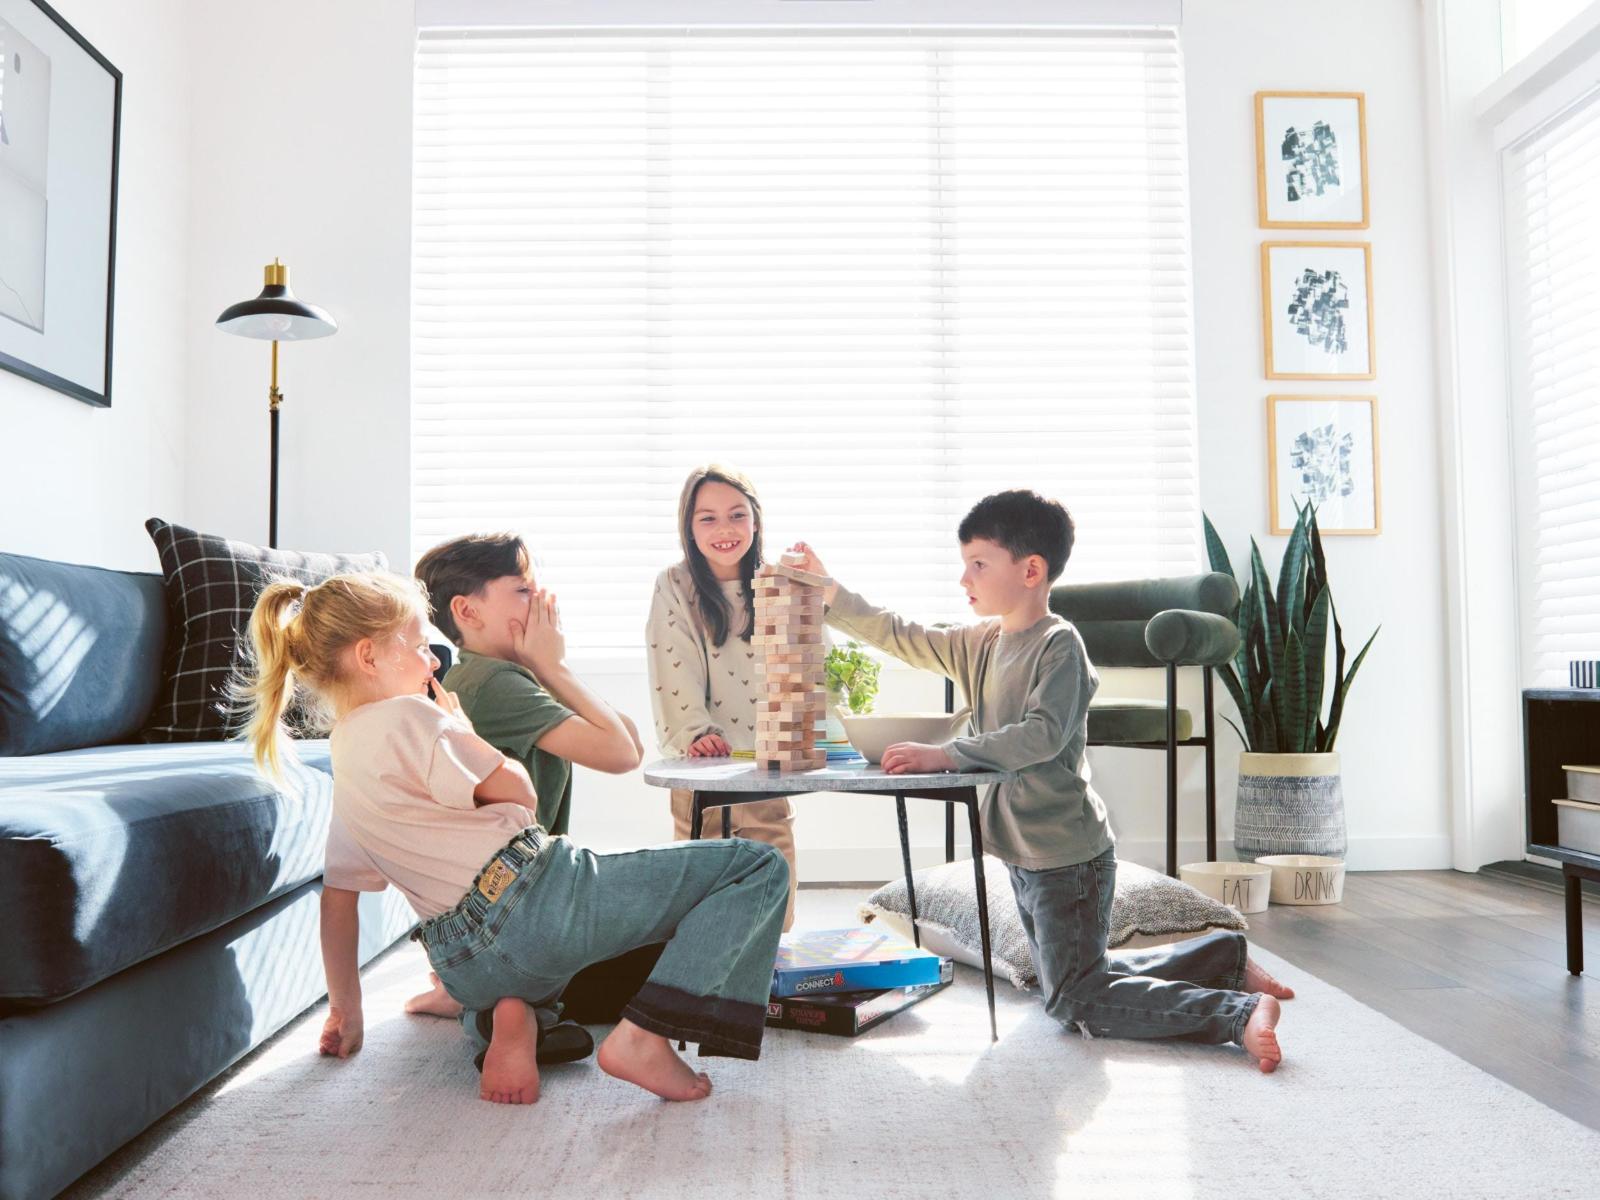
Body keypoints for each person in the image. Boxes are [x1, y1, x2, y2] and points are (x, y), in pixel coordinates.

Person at [787, 490, 1295, 1072]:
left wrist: (946, 755)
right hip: (1022, 850)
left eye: (979, 564)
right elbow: (900, 634)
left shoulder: (1060, 646)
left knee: (1073, 1000)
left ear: (1030, 570)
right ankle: (1222, 957)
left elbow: (1041, 735)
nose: (964, 579)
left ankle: (1234, 1013)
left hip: (1067, 855)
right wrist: (830, 591)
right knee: (1074, 978)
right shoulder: (981, 642)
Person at [242, 571, 789, 1104]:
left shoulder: (344, 761)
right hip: (535, 900)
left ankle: (505, 1018)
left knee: (525, 987)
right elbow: (520, 792)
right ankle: (643, 1038)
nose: (433, 662)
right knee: (756, 867)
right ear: (369, 657)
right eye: (420, 647)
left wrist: (346, 1009)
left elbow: (339, 900)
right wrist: (462, 731)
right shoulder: (413, 715)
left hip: (462, 964)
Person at [397, 532, 661, 1064]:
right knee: (676, 949)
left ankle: (478, 991)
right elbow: (620, 754)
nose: (540, 602)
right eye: (522, 590)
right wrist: (553, 668)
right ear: (467, 610)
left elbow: (628, 739)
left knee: (657, 933)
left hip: (513, 909)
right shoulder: (496, 685)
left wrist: (548, 667)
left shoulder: (499, 676)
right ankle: (492, 999)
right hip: (518, 918)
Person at [646, 464, 799, 929]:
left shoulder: (777, 582)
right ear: (689, 527)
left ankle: (773, 963)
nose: (725, 529)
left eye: (737, 515)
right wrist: (696, 732)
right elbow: (673, 662)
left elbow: (803, 662)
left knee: (776, 901)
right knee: (702, 902)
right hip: (704, 767)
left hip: (766, 767)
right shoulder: (675, 584)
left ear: (755, 520)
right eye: (707, 518)